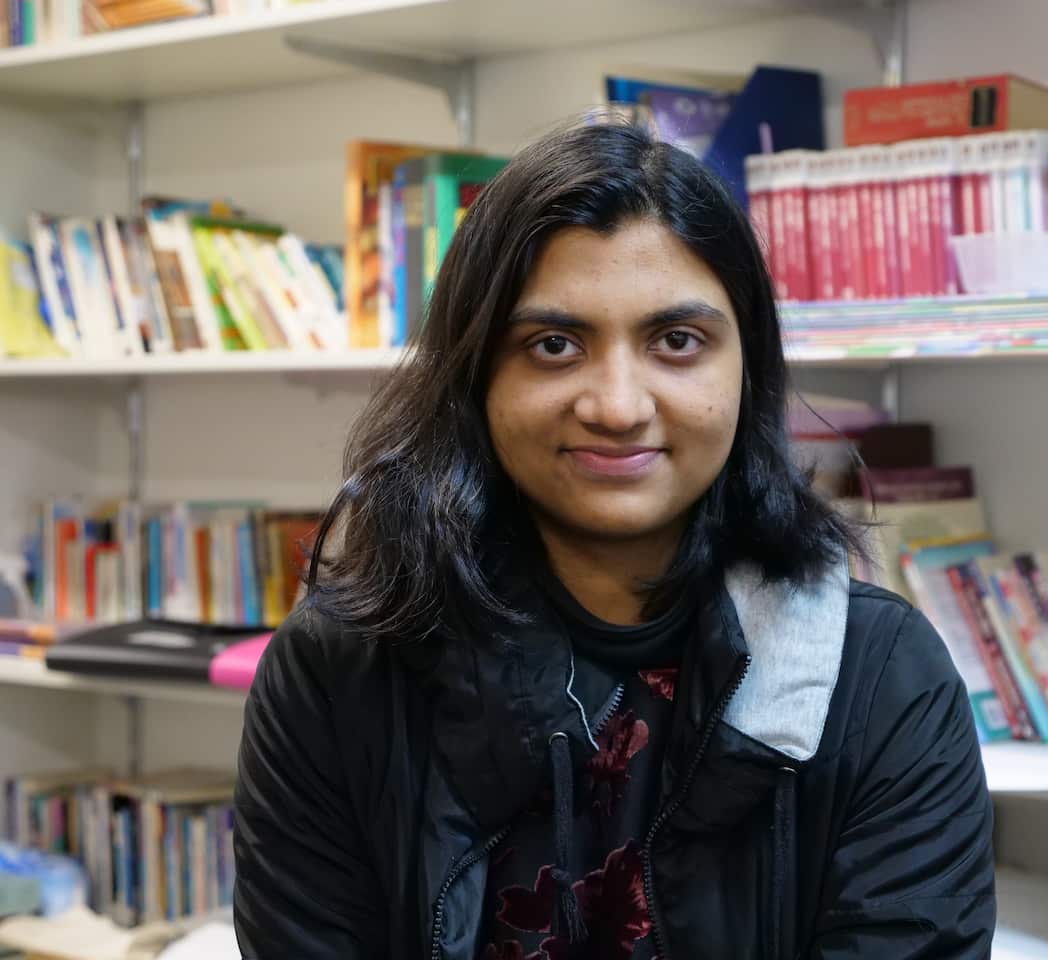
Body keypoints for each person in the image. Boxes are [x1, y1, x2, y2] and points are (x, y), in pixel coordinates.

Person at [233, 121, 995, 960]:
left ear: (749, 367)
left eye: (677, 342)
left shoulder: (884, 678)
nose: (618, 404)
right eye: (554, 345)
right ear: (475, 372)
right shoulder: (339, 668)